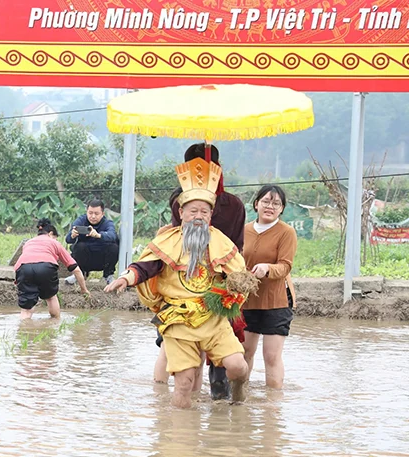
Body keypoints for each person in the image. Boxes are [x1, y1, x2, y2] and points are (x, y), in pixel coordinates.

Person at [105, 157, 250, 409]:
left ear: (211, 215)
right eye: (193, 211)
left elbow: (239, 276)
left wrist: (239, 288)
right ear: (181, 212)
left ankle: (238, 394)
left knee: (237, 366)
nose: (198, 216)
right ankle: (179, 436)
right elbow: (145, 267)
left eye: (204, 212)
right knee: (184, 382)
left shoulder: (222, 242)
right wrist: (125, 278)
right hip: (178, 319)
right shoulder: (167, 241)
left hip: (214, 318)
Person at [156, 143, 248, 397]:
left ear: (217, 169)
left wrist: (233, 280)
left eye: (206, 168)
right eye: (194, 168)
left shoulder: (233, 205)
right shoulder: (179, 200)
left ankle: (224, 405)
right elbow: (176, 245)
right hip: (183, 291)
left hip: (218, 291)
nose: (201, 173)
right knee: (183, 365)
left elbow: (237, 247)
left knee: (227, 364)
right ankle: (177, 410)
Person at [242, 185, 297, 390]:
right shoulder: (244, 230)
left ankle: (272, 407)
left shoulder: (286, 232)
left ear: (282, 209)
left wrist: (267, 268)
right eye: (266, 201)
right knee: (245, 351)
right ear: (256, 204)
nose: (270, 206)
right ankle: (240, 398)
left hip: (277, 300)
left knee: (271, 355)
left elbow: (285, 266)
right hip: (247, 299)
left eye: (276, 203)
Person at [16, 218, 89, 319]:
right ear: (50, 234)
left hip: (24, 268)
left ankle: (25, 329)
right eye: (55, 237)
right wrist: (84, 289)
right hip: (46, 267)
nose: (55, 240)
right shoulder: (54, 243)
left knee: (26, 309)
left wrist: (19, 282)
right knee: (50, 297)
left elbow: (18, 264)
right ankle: (55, 325)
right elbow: (75, 269)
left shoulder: (28, 243)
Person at [65, 199, 119, 285]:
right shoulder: (80, 221)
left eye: (96, 214)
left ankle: (108, 275)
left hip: (102, 259)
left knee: (114, 247)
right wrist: (72, 235)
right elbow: (68, 239)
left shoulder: (107, 223)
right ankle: (79, 274)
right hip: (85, 258)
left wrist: (99, 235)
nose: (93, 216)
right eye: (90, 213)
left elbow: (112, 235)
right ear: (86, 212)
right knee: (79, 247)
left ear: (102, 214)